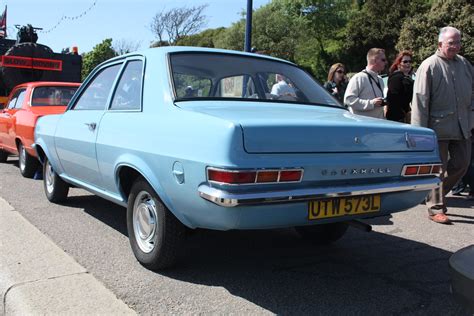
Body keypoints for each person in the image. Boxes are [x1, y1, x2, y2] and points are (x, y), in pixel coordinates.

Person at [411, 26, 473, 224]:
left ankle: (433, 195)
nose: (456, 46)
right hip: (436, 128)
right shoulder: (429, 65)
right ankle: (435, 207)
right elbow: (420, 101)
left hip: (463, 126)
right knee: (437, 169)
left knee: (462, 165)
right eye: (451, 43)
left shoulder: (465, 64)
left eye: (458, 42)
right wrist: (420, 134)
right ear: (440, 44)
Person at [344, 48, 387, 118]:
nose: (385, 62)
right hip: (363, 125)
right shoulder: (358, 77)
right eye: (383, 60)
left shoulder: (380, 79)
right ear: (375, 60)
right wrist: (371, 103)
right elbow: (349, 100)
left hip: (379, 125)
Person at [386, 51, 414, 122]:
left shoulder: (407, 78)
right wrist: (403, 116)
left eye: (410, 61)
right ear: (398, 64)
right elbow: (393, 100)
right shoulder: (396, 77)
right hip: (397, 119)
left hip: (404, 116)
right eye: (405, 61)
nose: (408, 64)